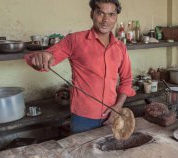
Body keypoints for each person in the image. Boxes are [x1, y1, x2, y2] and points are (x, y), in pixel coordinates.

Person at [25, 0, 135, 133]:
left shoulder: (120, 47)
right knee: (83, 153)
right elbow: (48, 57)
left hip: (112, 114)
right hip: (83, 118)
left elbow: (127, 80)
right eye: (100, 13)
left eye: (111, 14)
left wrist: (118, 107)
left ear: (116, 17)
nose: (106, 20)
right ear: (92, 14)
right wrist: (42, 58)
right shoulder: (75, 40)